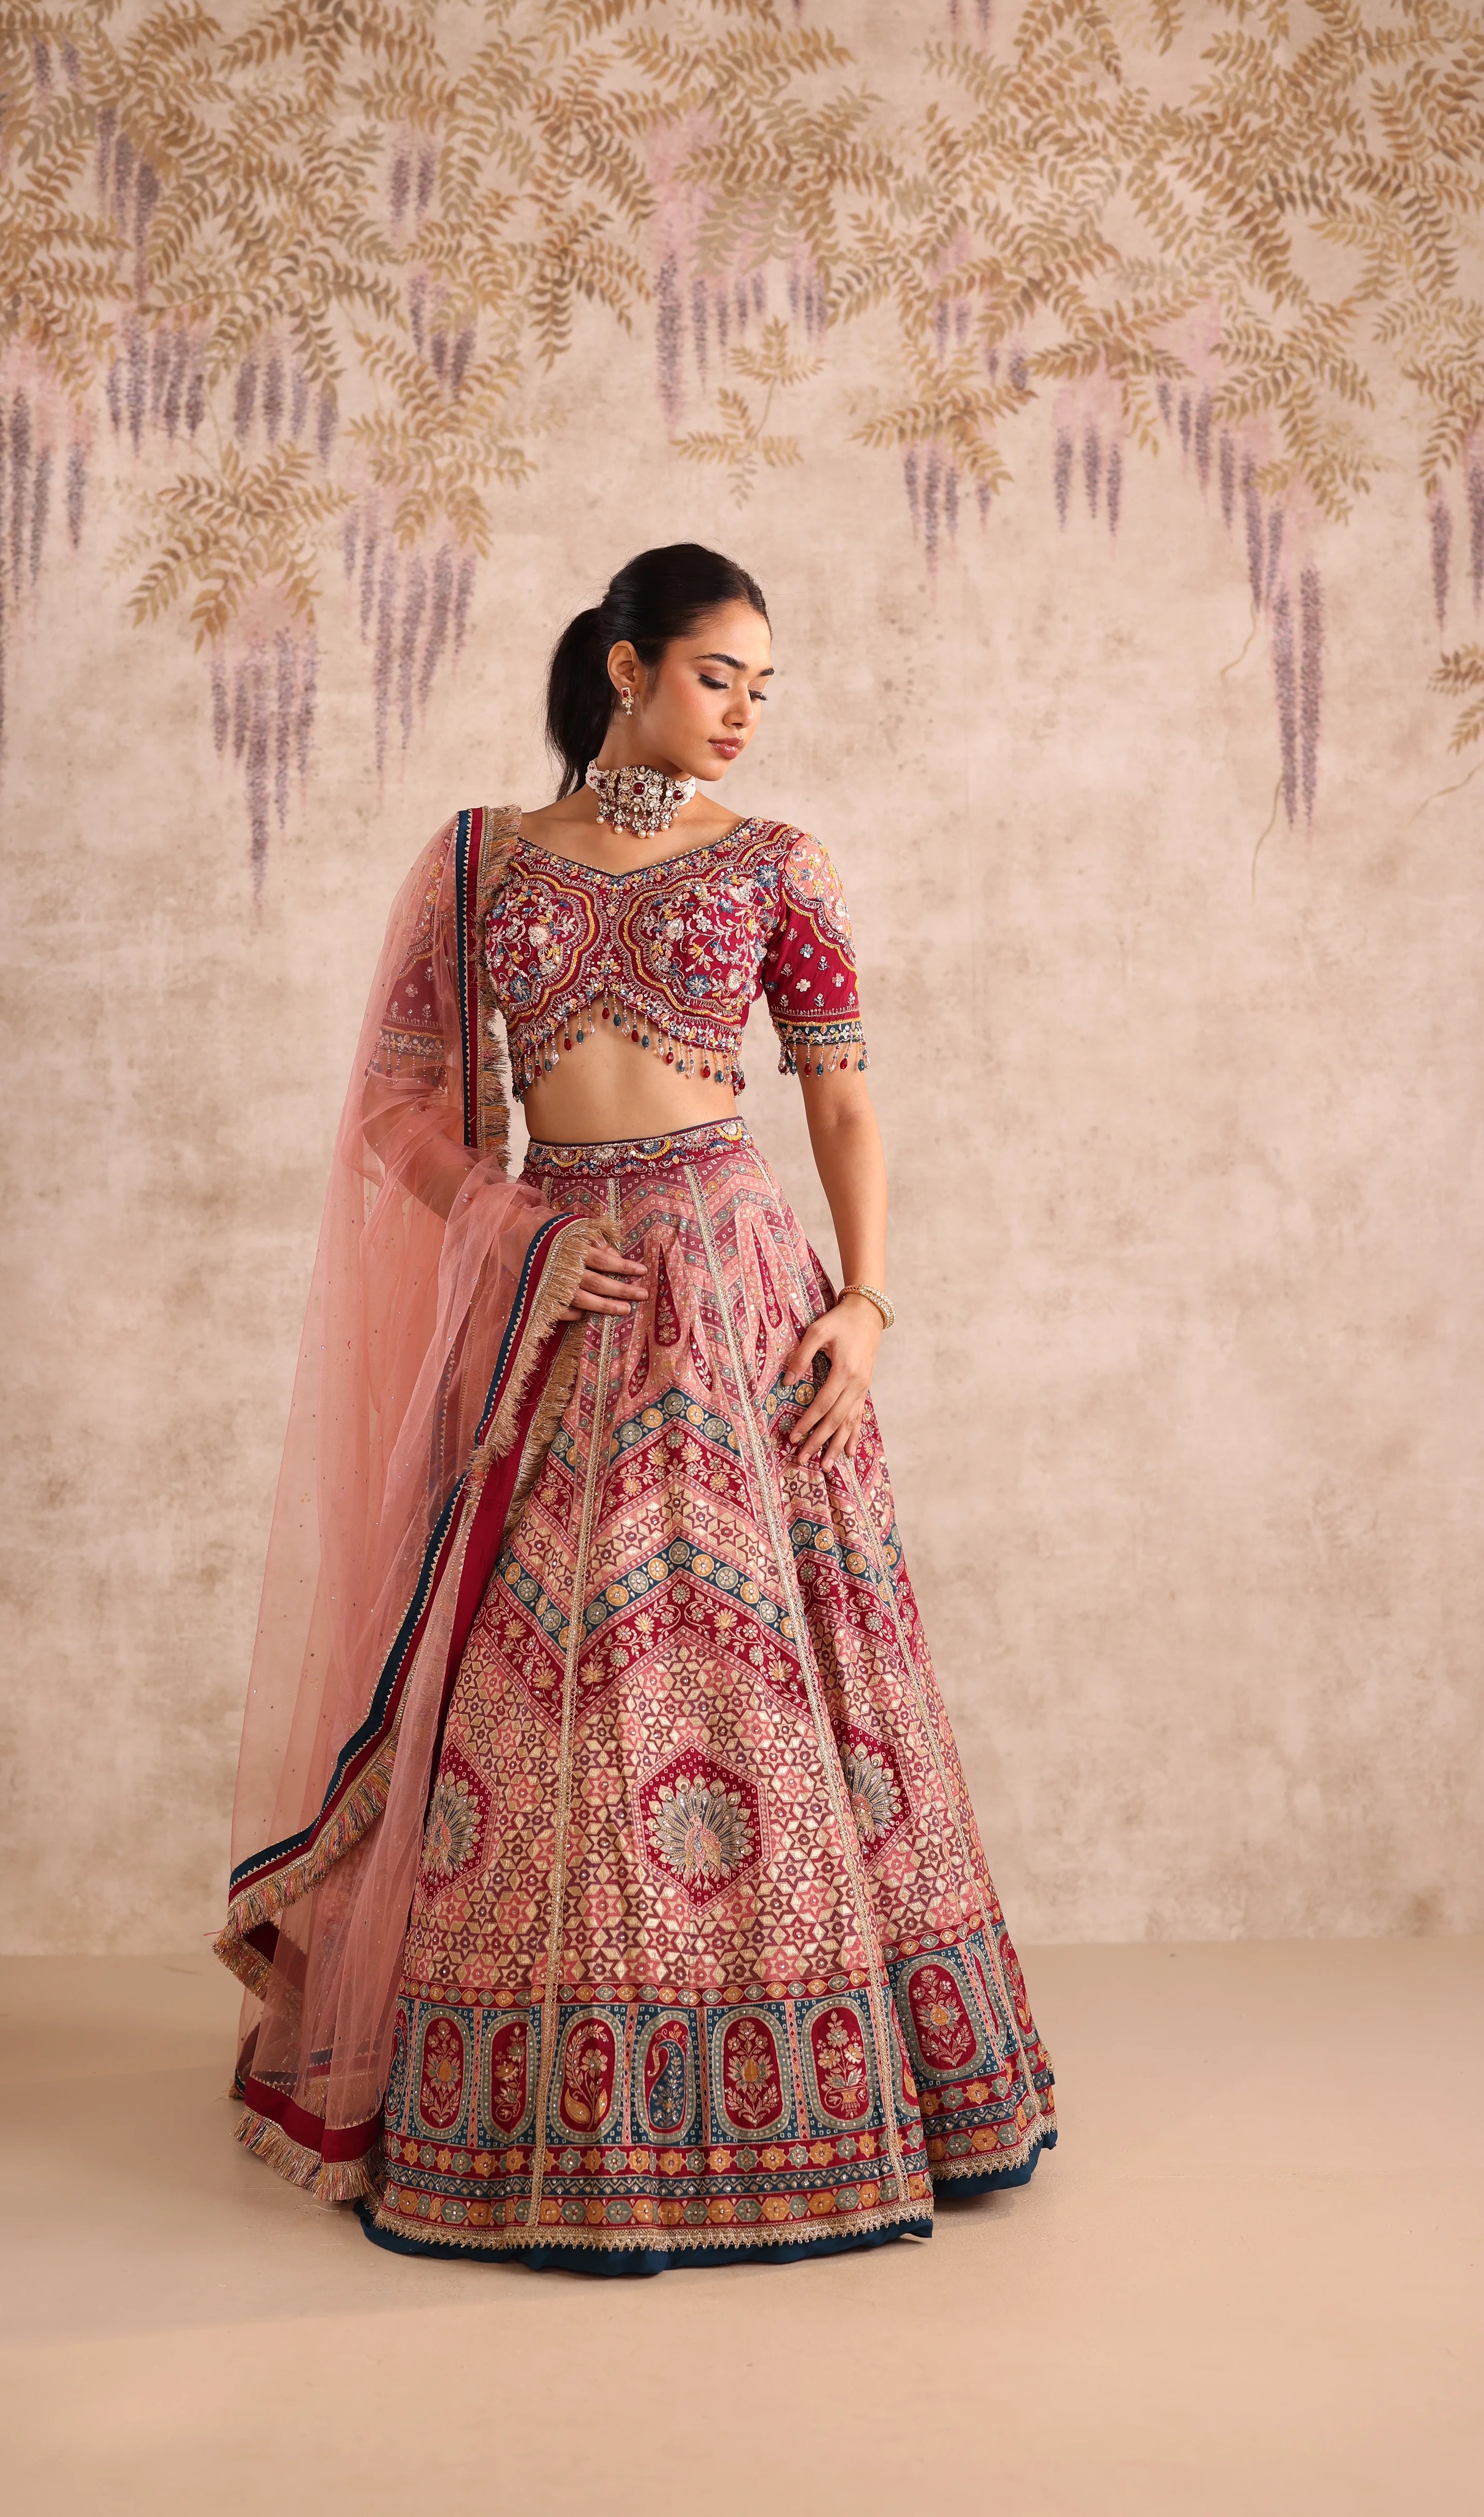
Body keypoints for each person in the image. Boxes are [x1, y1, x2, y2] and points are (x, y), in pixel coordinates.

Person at [214, 543, 1055, 2270]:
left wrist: (868, 1301)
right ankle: (550, 2092)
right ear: (622, 664)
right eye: (715, 675)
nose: (743, 712)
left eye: (764, 685)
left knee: (762, 1669)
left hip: (737, 1292)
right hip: (562, 1303)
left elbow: (841, 1108)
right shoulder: (479, 860)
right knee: (550, 1689)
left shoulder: (775, 863)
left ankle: (819, 2081)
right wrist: (518, 1228)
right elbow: (397, 1116)